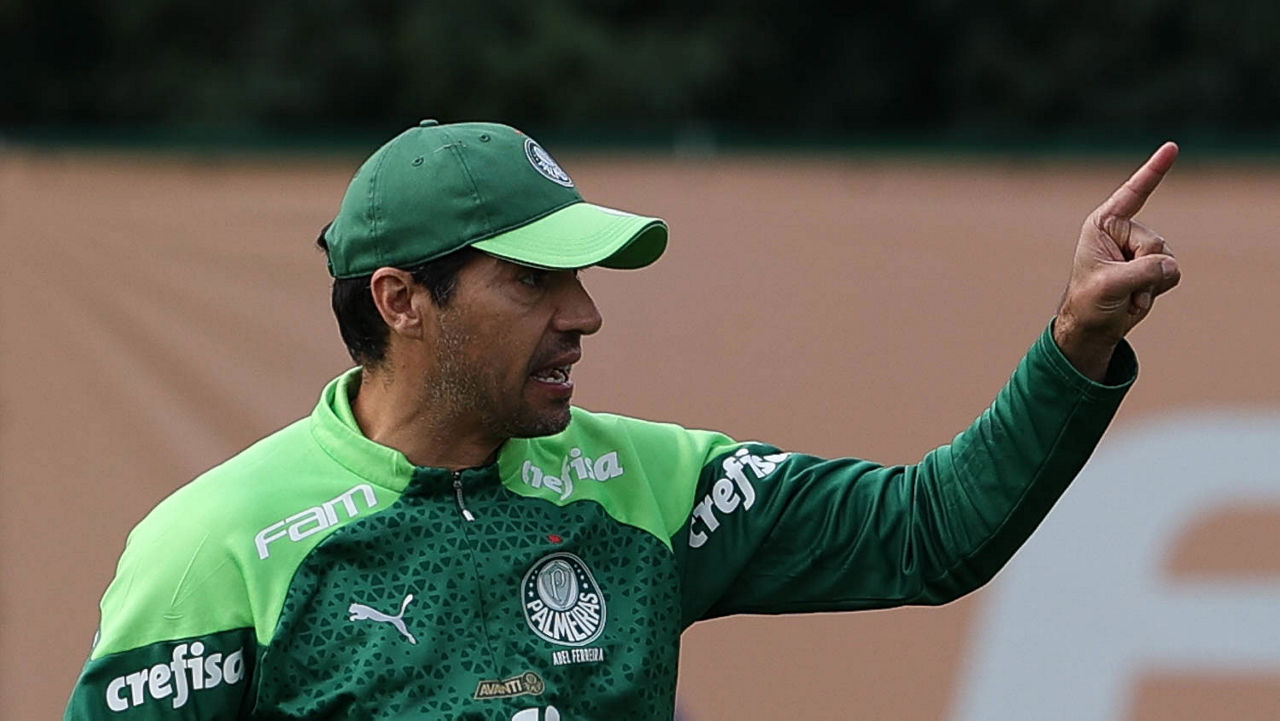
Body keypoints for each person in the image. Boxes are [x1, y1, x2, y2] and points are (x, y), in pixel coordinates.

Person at [64, 119, 1181, 720]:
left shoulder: (650, 481)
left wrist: (1075, 341)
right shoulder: (212, 546)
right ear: (402, 300)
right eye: (532, 282)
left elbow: (928, 532)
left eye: (580, 278)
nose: (583, 314)